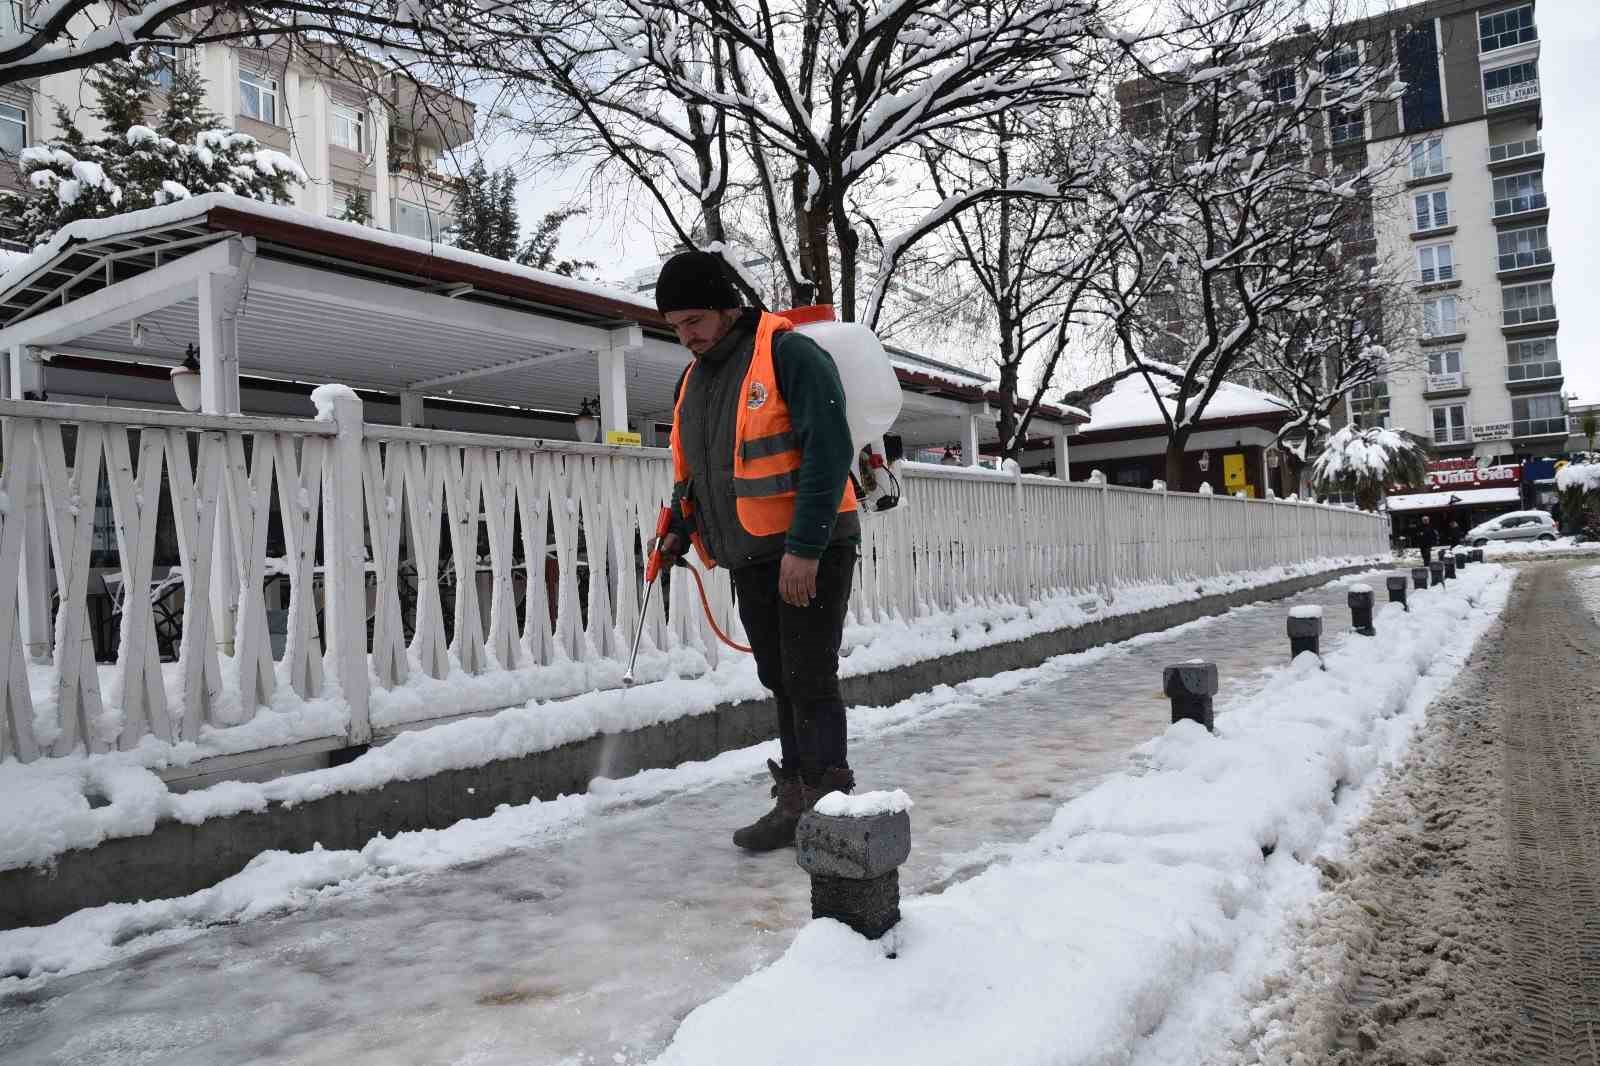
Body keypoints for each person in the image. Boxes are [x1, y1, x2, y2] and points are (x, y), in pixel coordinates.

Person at [653, 250, 861, 852]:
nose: (686, 335)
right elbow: (696, 471)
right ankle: (796, 798)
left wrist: (806, 547)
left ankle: (833, 807)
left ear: (726, 307)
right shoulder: (692, 380)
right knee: (778, 676)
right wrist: (680, 527)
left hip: (810, 548)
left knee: (809, 675)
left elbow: (828, 449)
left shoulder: (789, 352)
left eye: (694, 320)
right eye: (675, 326)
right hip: (750, 553)